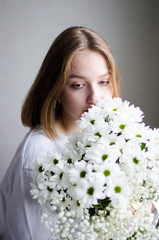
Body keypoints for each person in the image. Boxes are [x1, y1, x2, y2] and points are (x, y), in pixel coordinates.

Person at [0, 26, 120, 240]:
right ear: (55, 90)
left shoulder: (106, 138)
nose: (95, 97)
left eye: (103, 82)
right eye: (78, 85)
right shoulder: (39, 155)